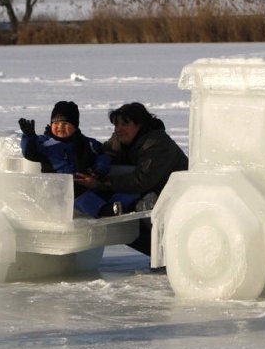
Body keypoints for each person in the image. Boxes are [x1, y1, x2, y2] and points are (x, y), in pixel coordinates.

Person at [74, 102, 188, 256]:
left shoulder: (157, 144)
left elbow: (141, 180)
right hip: (150, 196)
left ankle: (170, 255)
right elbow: (103, 155)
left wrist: (99, 183)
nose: (118, 129)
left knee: (127, 223)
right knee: (122, 223)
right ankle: (163, 254)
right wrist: (101, 162)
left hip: (176, 202)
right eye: (116, 125)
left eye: (124, 124)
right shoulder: (122, 140)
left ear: (139, 125)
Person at [18, 101, 113, 217]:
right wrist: (30, 136)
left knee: (102, 189)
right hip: (56, 189)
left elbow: (102, 156)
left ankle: (125, 205)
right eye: (56, 123)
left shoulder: (87, 143)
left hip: (83, 182)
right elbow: (30, 153)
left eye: (65, 123)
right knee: (76, 192)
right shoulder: (45, 143)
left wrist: (98, 171)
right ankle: (103, 211)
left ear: (75, 125)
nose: (60, 127)